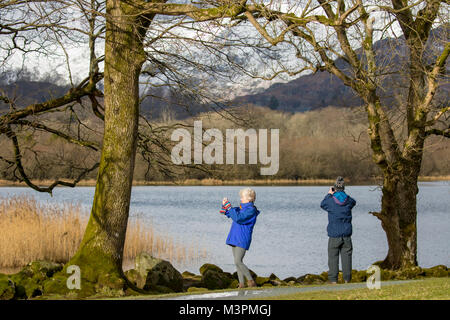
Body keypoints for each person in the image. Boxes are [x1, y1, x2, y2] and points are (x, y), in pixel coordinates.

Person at [220, 187, 260, 288]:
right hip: (234, 237)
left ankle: (251, 282)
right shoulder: (241, 209)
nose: (240, 199)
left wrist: (229, 207)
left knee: (238, 261)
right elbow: (230, 213)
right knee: (237, 263)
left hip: (242, 238)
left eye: (242, 197)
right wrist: (225, 205)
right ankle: (241, 284)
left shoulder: (251, 210)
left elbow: (238, 218)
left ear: (249, 199)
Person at [320, 176, 356, 284]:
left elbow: (322, 204)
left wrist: (329, 194)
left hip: (334, 235)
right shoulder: (348, 201)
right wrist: (343, 194)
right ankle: (347, 280)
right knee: (347, 258)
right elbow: (353, 202)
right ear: (343, 188)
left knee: (333, 258)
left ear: (334, 188)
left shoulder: (330, 201)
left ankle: (333, 280)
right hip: (346, 235)